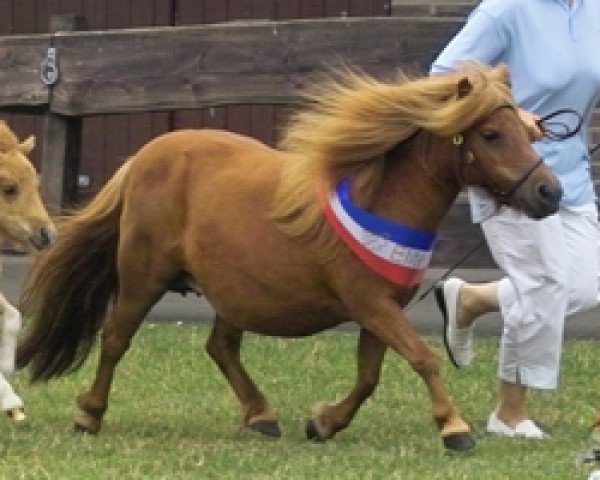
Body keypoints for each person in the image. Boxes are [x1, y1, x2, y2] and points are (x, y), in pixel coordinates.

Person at [430, 0, 600, 439]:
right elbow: (443, 75)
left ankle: (472, 300)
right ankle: (509, 413)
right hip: (508, 177)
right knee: (543, 285)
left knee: (584, 286)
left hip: (569, 175)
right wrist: (510, 111)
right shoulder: (506, 10)